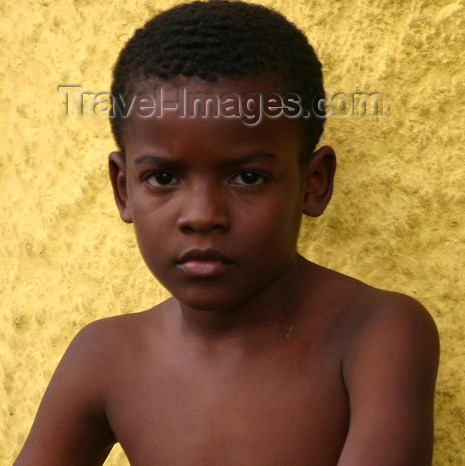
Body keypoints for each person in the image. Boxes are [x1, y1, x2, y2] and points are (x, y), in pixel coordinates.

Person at [14, 1, 439, 465]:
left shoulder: (374, 333)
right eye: (162, 178)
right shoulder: (106, 356)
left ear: (313, 184)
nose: (201, 215)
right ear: (123, 189)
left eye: (248, 178)